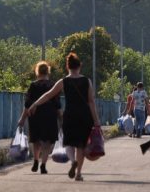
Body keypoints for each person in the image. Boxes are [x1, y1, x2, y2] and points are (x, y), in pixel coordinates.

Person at [28, 52, 100, 182]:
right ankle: (78, 173)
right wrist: (97, 121)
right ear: (80, 66)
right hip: (84, 116)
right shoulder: (86, 81)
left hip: (70, 115)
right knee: (81, 146)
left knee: (68, 143)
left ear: (68, 67)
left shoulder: (63, 81)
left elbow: (49, 95)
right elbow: (91, 102)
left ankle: (72, 161)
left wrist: (35, 104)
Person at [18, 61, 61, 174]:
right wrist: (61, 118)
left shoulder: (33, 85)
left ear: (37, 72)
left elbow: (27, 104)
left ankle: (36, 160)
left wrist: (22, 119)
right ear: (48, 71)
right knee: (47, 142)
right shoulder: (52, 85)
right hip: (49, 116)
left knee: (36, 139)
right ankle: (43, 164)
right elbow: (57, 104)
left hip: (35, 115)